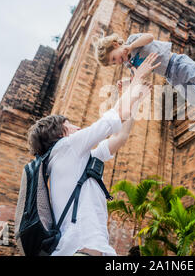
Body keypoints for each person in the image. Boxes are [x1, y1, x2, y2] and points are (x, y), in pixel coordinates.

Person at [27, 53, 160, 256]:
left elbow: (120, 137)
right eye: (70, 125)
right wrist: (137, 79)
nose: (78, 127)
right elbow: (116, 116)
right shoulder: (65, 147)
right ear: (60, 134)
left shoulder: (75, 161)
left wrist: (134, 100)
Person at [95, 32, 195, 132]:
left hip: (176, 62)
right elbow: (138, 78)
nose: (117, 62)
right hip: (170, 76)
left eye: (114, 58)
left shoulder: (133, 40)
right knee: (194, 97)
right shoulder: (129, 64)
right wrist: (127, 83)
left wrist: (131, 47)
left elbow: (149, 37)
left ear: (115, 45)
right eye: (113, 63)